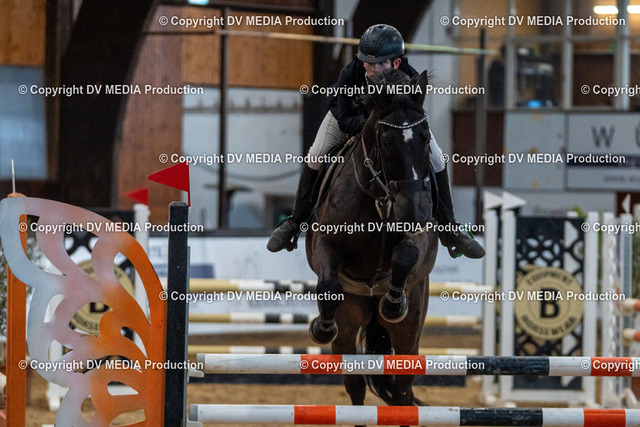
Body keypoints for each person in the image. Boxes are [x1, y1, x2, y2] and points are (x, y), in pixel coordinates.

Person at [267, 24, 485, 259]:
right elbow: (345, 120)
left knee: (438, 159)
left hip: (397, 126)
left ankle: (450, 228)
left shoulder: (410, 77)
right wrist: (372, 126)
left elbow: (413, 113)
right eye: (368, 63)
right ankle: (295, 222)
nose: (373, 69)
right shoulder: (349, 74)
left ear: (396, 63)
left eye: (380, 63)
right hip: (345, 119)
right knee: (316, 154)